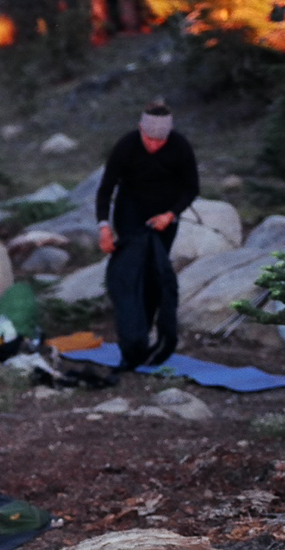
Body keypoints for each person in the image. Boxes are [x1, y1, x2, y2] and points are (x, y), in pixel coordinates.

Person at [96, 101, 199, 370]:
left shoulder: (180, 147)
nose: (153, 145)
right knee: (131, 275)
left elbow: (191, 188)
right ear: (141, 129)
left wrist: (171, 214)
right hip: (130, 213)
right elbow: (106, 189)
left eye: (160, 141)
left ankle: (147, 335)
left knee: (155, 275)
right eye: (149, 139)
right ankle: (130, 340)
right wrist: (103, 227)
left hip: (164, 217)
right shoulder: (126, 146)